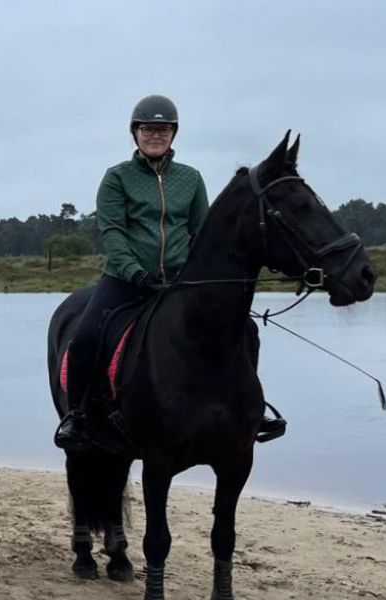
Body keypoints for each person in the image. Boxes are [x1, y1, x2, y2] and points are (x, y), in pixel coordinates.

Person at [55, 94, 285, 451]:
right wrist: (134, 272)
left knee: (246, 329)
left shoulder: (190, 179)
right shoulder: (117, 178)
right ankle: (78, 415)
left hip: (178, 281)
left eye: (162, 130)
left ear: (173, 134)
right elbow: (112, 231)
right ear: (135, 133)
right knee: (86, 336)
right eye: (148, 129)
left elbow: (202, 233)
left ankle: (249, 409)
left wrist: (198, 275)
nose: (155, 135)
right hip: (124, 280)